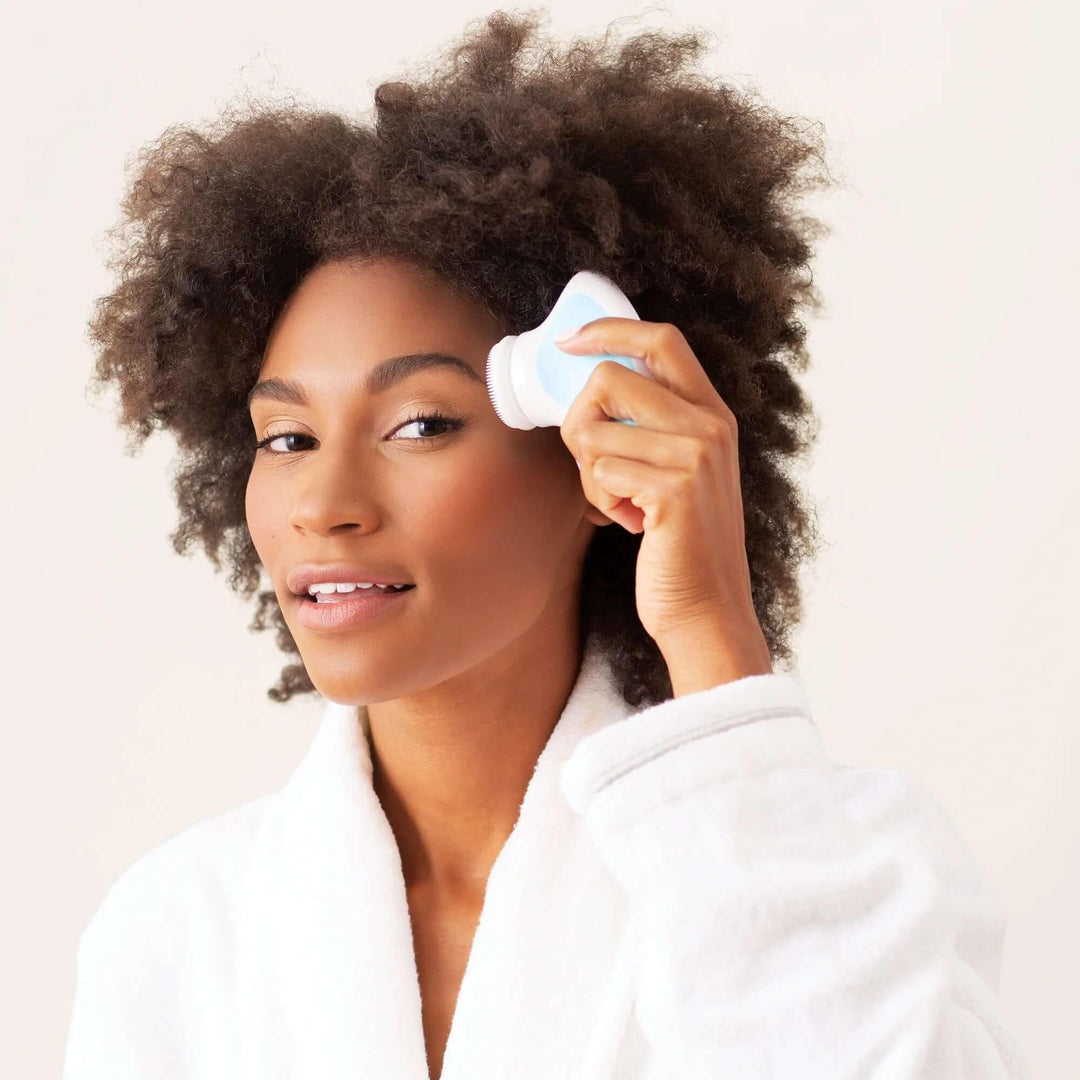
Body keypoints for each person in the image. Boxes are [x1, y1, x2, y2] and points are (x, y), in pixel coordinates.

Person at [64, 11, 1031, 1078]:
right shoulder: (179, 933)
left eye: (421, 423)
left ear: (595, 451)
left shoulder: (851, 866)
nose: (321, 504)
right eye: (285, 437)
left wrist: (711, 637)